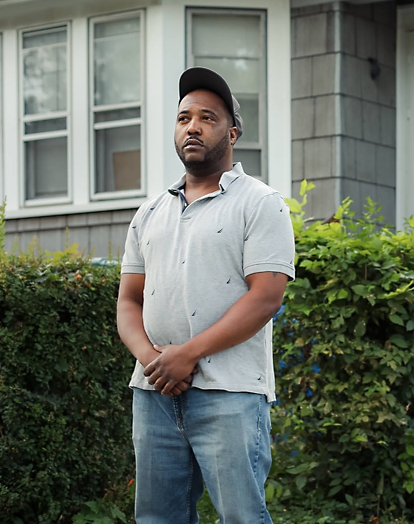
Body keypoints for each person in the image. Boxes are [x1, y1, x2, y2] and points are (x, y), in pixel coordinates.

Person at [114, 66, 295, 523]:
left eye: (207, 118)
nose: (192, 126)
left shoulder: (261, 203)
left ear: (232, 132)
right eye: (183, 117)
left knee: (242, 517)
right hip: (154, 393)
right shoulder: (150, 211)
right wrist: (156, 361)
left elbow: (265, 298)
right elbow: (128, 301)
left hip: (230, 394)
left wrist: (187, 355)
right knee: (157, 519)